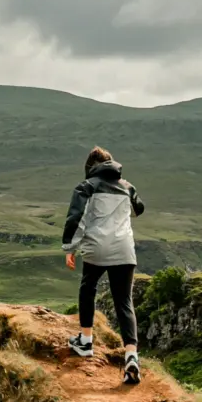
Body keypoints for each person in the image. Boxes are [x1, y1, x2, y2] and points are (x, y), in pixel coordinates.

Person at [61, 145, 146, 384]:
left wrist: (70, 248)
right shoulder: (127, 187)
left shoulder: (86, 187)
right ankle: (131, 355)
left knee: (88, 287)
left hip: (97, 247)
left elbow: (75, 217)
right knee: (124, 302)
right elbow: (139, 209)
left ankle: (86, 341)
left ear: (90, 167)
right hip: (124, 249)